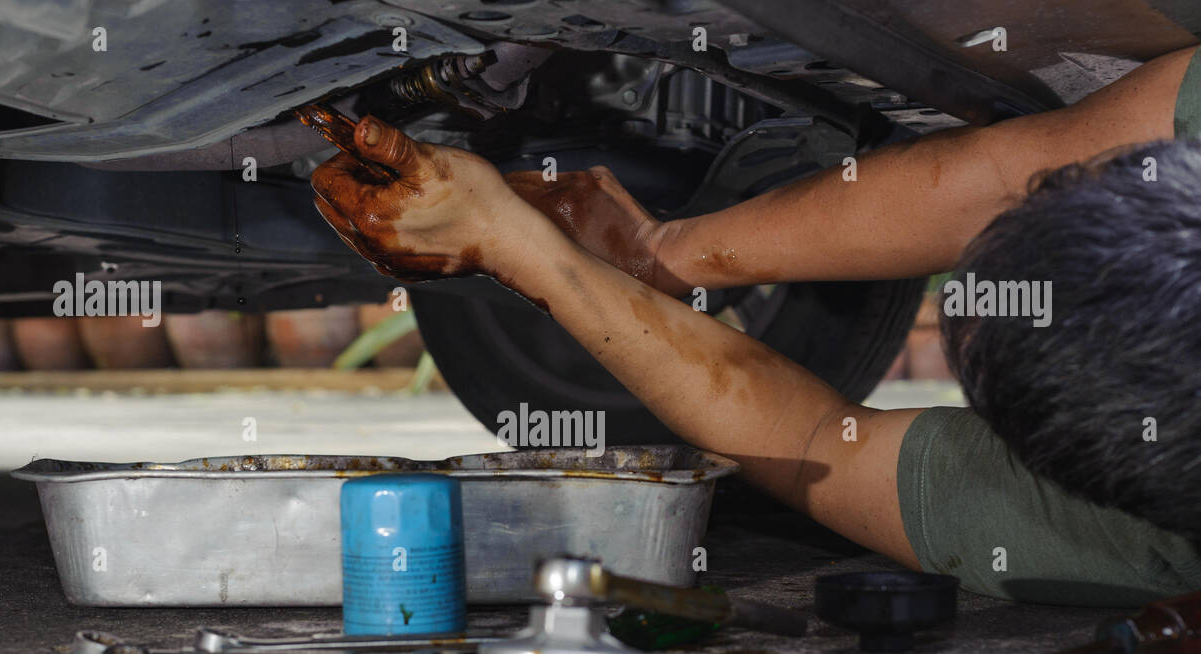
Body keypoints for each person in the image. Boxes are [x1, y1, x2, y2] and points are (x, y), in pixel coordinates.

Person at [310, 44, 1201, 607]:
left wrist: (522, 250)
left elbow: (820, 442)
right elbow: (1006, 171)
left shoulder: (1146, 543)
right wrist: (666, 252)